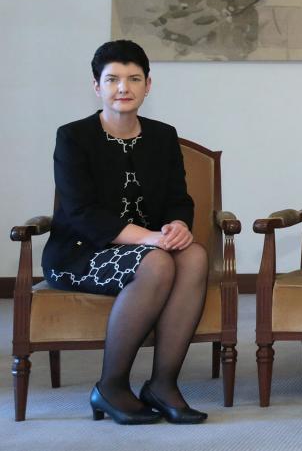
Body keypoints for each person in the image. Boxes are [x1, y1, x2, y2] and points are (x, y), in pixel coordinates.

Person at [45, 40, 208, 424]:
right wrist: (150, 238)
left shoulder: (162, 135)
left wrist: (178, 225)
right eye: (113, 79)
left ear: (148, 85)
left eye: (134, 78)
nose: (124, 87)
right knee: (158, 264)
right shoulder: (73, 137)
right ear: (97, 86)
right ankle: (111, 386)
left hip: (146, 248)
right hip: (80, 252)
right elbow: (81, 213)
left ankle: (163, 384)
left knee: (195, 254)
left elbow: (177, 197)